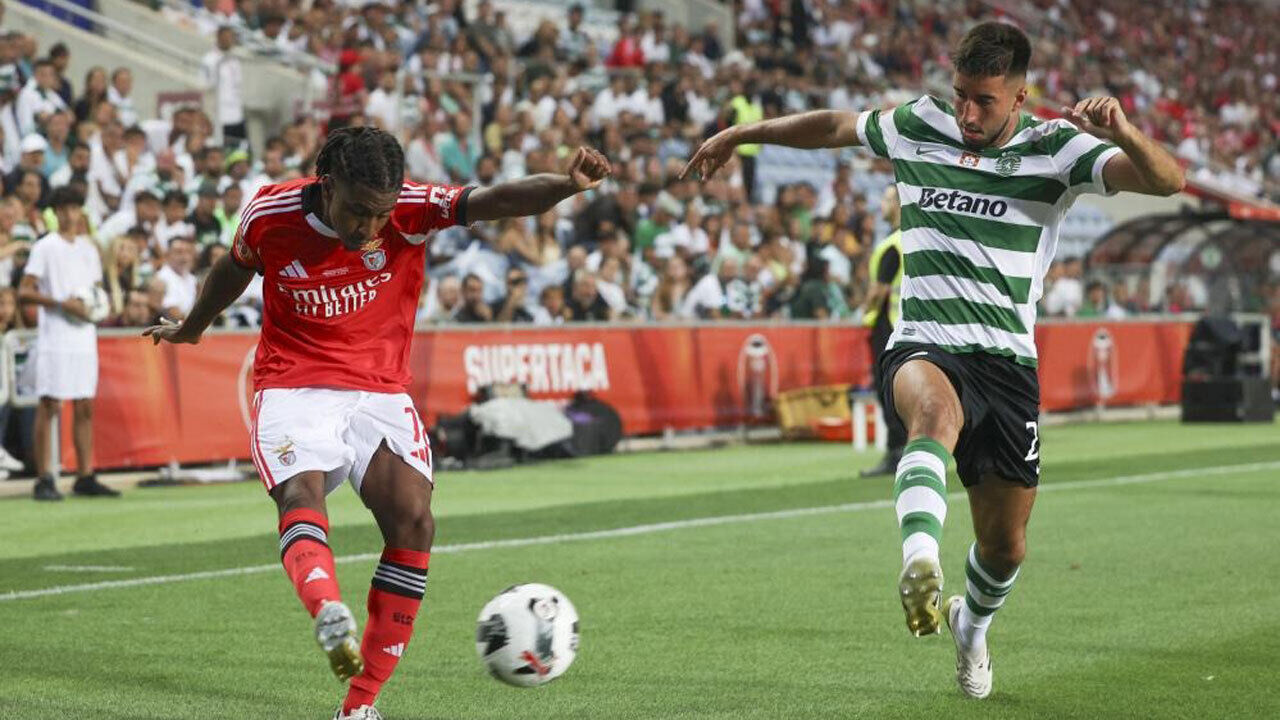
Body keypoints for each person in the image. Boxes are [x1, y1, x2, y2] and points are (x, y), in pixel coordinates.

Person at [682, 21, 1185, 699]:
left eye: (984, 101)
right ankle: (919, 560)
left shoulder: (1057, 148)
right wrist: (743, 134)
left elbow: (1168, 181)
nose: (968, 114)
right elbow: (832, 126)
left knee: (1006, 546)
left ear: (1020, 96)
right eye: (961, 96)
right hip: (926, 340)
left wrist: (1123, 132)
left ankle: (970, 626)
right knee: (933, 416)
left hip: (1008, 363)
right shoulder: (920, 123)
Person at [144, 126, 609, 720]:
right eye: (358, 210)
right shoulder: (270, 213)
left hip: (378, 391)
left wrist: (566, 186)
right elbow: (235, 269)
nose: (369, 227)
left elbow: (495, 200)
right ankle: (326, 607)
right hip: (293, 383)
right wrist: (192, 327)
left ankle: (358, 707)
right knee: (300, 492)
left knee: (415, 521)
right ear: (327, 184)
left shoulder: (410, 208)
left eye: (380, 214)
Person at [18, 186, 116, 500]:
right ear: (56, 212)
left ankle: (84, 475)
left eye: (74, 208)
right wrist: (62, 303)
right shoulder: (45, 247)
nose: (69, 214)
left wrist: (96, 306)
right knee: (49, 404)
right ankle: (44, 478)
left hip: (84, 336)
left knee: (85, 405)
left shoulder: (88, 249)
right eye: (63, 209)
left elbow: (95, 291)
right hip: (55, 336)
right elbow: (24, 291)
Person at [858, 185, 906, 477]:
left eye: (887, 199)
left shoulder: (892, 244)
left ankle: (896, 453)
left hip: (888, 325)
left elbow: (879, 290)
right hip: (906, 325)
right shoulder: (913, 238)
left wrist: (862, 310)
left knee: (887, 391)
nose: (882, 204)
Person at [201, 25, 245, 144]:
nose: (230, 40)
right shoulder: (209, 59)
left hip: (236, 110)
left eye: (232, 37)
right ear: (219, 37)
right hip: (219, 110)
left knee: (238, 144)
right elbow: (205, 84)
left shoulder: (235, 59)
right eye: (227, 37)